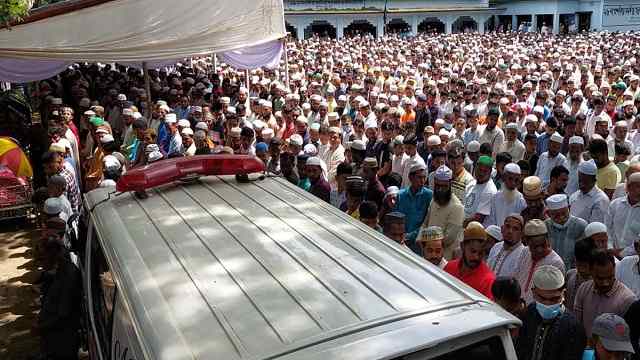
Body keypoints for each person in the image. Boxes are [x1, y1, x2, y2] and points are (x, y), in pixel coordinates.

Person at [516, 265, 587, 360]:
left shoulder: (573, 327)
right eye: (542, 298)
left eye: (554, 299)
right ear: (533, 293)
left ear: (564, 294)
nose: (547, 304)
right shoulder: (529, 312)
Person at [37, 235, 82, 360]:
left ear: (52, 255)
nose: (40, 263)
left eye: (42, 258)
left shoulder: (68, 276)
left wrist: (41, 327)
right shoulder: (60, 270)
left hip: (62, 341)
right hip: (56, 339)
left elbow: (63, 315)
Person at [574, 249, 636, 339]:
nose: (605, 283)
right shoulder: (584, 289)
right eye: (600, 278)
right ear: (591, 271)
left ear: (614, 269)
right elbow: (577, 325)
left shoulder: (627, 300)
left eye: (610, 277)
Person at [516, 219, 566, 304]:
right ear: (527, 242)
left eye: (543, 245)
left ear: (548, 239)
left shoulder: (556, 263)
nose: (539, 250)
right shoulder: (524, 252)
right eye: (535, 246)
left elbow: (553, 297)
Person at [444, 221, 496, 299]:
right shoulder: (449, 267)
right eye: (473, 251)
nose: (476, 257)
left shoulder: (488, 281)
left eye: (481, 253)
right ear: (462, 246)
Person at [423, 165, 464, 260]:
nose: (440, 190)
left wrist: (427, 243)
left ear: (450, 184)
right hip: (428, 254)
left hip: (444, 258)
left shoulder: (457, 207)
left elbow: (447, 239)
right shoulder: (434, 200)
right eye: (438, 186)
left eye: (444, 186)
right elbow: (425, 223)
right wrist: (421, 241)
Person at [394, 162, 433, 254]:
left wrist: (410, 236)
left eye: (424, 177)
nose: (422, 181)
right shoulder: (401, 195)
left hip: (417, 242)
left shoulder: (428, 195)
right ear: (411, 178)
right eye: (419, 177)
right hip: (400, 239)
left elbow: (426, 221)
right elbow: (396, 218)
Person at [545, 194, 588, 268]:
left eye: (564, 213)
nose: (561, 217)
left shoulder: (580, 225)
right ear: (549, 213)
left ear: (569, 209)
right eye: (556, 215)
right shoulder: (545, 226)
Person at [606, 172, 640, 258]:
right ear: (628, 187)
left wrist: (623, 253)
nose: (639, 191)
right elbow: (607, 228)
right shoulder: (615, 205)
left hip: (633, 258)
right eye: (637, 187)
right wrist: (610, 248)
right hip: (611, 255)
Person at [485, 162, 527, 227]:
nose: (513, 183)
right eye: (510, 179)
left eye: (516, 180)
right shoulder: (495, 197)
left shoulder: (521, 200)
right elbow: (490, 221)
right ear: (504, 177)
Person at [488, 214, 526, 278]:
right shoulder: (496, 246)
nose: (510, 231)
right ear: (502, 229)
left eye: (515, 229)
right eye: (507, 226)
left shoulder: (523, 254)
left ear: (521, 234)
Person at [463, 155, 497, 226]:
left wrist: (461, 224)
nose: (481, 173)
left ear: (490, 171)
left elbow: (479, 218)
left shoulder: (490, 190)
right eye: (480, 170)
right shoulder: (471, 184)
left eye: (485, 171)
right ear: (475, 168)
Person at [566, 238, 596, 314]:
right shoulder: (570, 275)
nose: (582, 270)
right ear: (575, 260)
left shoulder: (598, 284)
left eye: (585, 266)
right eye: (579, 264)